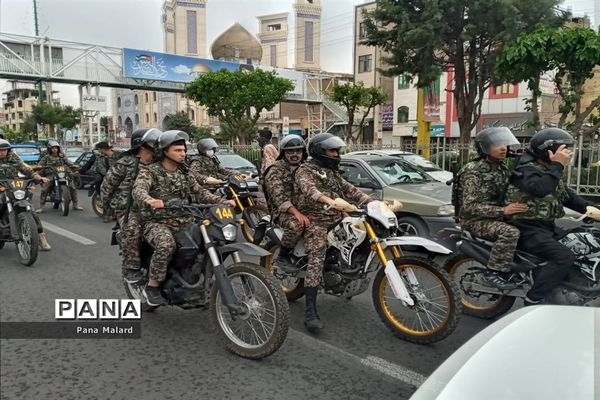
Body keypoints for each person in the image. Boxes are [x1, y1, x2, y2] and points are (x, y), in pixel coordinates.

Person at [132, 130, 236, 306]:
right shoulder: (150, 171)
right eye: (178, 150)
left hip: (185, 219)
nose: (183, 154)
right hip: (157, 221)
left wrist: (223, 201)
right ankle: (152, 287)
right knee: (166, 244)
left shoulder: (185, 172)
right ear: (165, 151)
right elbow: (138, 189)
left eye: (184, 150)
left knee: (210, 238)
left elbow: (200, 192)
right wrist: (150, 200)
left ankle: (199, 277)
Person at [506, 128, 600, 305]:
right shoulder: (523, 170)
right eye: (563, 149)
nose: (568, 153)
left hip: (546, 227)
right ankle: (533, 299)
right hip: (525, 228)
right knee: (564, 256)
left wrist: (593, 209)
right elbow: (539, 189)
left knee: (585, 238)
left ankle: (572, 285)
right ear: (547, 150)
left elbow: (568, 197)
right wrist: (557, 165)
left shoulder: (547, 169)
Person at [294, 133, 375, 332]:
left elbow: (352, 190)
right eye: (332, 150)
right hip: (315, 220)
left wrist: (374, 203)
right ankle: (311, 312)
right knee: (317, 256)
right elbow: (309, 190)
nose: (336, 154)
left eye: (337, 150)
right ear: (319, 151)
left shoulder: (332, 172)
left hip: (336, 218)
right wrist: (329, 201)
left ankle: (344, 272)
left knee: (361, 233)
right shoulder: (305, 170)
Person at [454, 127, 528, 289]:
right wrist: (503, 211)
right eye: (497, 145)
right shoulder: (473, 171)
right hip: (475, 221)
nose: (503, 148)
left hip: (496, 217)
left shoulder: (501, 167)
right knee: (510, 232)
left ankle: (517, 268)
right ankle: (493, 272)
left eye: (504, 144)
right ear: (484, 148)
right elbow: (469, 207)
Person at [101, 128, 161, 283]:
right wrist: (108, 210)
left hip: (154, 206)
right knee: (132, 228)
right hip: (127, 208)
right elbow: (107, 187)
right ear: (141, 145)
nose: (156, 145)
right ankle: (131, 268)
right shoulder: (124, 163)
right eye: (152, 142)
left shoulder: (158, 162)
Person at [263, 134, 310, 269]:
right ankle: (283, 255)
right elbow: (280, 199)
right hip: (283, 212)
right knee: (297, 226)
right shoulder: (275, 170)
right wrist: (296, 213)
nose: (295, 154)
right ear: (284, 153)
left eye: (298, 151)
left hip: (304, 207)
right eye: (290, 151)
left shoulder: (305, 168)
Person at [0, 139, 51, 250]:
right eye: (0, 150)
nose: (2, 152)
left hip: (13, 186)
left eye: (4, 150)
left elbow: (26, 169)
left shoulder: (13, 157)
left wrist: (39, 177)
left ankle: (41, 238)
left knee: (31, 210)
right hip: (1, 187)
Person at [36, 139, 82, 212]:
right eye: (53, 148)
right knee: (45, 188)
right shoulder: (46, 157)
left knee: (72, 187)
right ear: (49, 149)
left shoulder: (62, 156)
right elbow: (40, 165)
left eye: (56, 148)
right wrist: (39, 167)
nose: (55, 149)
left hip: (62, 174)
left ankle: (75, 205)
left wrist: (75, 167)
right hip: (51, 174)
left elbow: (68, 162)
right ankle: (42, 206)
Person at [81, 141, 121, 222]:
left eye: (100, 149)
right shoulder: (98, 156)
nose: (99, 151)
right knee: (105, 194)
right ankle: (106, 214)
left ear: (103, 149)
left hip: (117, 177)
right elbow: (89, 164)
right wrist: (80, 171)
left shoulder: (118, 155)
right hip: (103, 176)